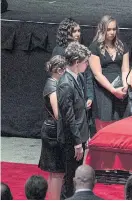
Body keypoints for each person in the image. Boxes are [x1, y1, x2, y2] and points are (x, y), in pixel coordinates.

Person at [57, 42, 91, 199]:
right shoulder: (65, 84)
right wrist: (78, 143)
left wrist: (86, 135)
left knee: (75, 176)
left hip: (79, 135)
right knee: (70, 179)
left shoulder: (79, 77)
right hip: (71, 140)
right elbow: (69, 118)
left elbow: (80, 111)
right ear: (77, 62)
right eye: (85, 61)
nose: (87, 64)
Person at [53, 17, 95, 134]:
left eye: (78, 31)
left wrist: (90, 96)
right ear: (66, 33)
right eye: (74, 31)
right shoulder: (60, 51)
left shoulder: (80, 50)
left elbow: (87, 74)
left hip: (81, 94)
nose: (77, 34)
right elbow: (56, 76)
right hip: (68, 94)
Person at [89, 15, 130, 130]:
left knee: (120, 121)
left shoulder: (122, 46)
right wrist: (112, 90)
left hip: (119, 89)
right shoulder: (95, 47)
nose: (112, 32)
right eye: (109, 29)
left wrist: (125, 85)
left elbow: (125, 69)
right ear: (102, 30)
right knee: (104, 122)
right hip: (103, 90)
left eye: (114, 29)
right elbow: (97, 74)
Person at [38, 55, 66, 200]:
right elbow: (57, 114)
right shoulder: (52, 87)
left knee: (54, 171)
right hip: (53, 131)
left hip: (52, 129)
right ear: (60, 70)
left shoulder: (52, 83)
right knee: (57, 171)